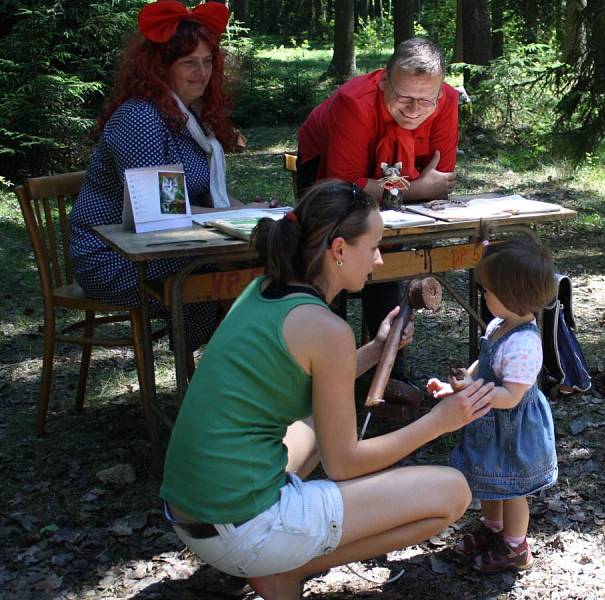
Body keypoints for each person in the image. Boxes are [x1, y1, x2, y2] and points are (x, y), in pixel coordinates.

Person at [160, 180, 497, 600]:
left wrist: (376, 350)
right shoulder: (327, 329)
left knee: (323, 418)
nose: (377, 258)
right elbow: (345, 464)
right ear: (338, 250)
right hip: (244, 530)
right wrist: (437, 422)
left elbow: (303, 375)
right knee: (453, 492)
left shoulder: (263, 290)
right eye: (372, 246)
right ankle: (284, 570)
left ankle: (271, 561)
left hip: (192, 514)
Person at [69, 0, 238, 351]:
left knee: (263, 265)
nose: (202, 72)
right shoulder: (141, 119)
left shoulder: (191, 118)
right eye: (189, 63)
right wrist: (233, 218)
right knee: (233, 279)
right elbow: (162, 213)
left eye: (208, 61)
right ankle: (216, 383)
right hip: (115, 258)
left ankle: (226, 381)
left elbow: (203, 198)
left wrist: (262, 213)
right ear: (160, 68)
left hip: (166, 247)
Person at [296, 37, 460, 375]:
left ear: (440, 91)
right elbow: (340, 187)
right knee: (332, 257)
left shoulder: (447, 101)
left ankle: (387, 373)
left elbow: (440, 181)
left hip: (383, 183)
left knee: (387, 261)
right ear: (384, 81)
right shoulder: (352, 103)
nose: (415, 110)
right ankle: (324, 367)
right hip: (324, 174)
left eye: (426, 100)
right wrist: (415, 188)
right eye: (404, 98)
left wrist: (404, 190)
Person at [427, 238, 559, 572]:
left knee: (513, 488)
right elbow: (484, 360)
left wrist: (474, 389)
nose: (483, 296)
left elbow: (512, 396)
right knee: (490, 478)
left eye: (488, 291)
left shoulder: (525, 345)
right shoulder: (500, 325)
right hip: (491, 426)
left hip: (512, 430)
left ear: (512, 296)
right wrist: (456, 386)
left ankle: (516, 547)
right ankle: (493, 529)